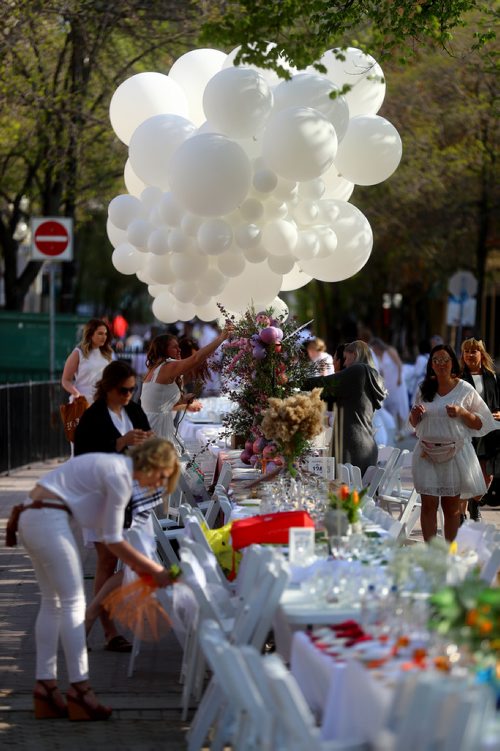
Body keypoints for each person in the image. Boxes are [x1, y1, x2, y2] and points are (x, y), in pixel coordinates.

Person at [16, 438, 179, 721]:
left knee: (53, 603)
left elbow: (109, 533)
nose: (158, 485)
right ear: (154, 464)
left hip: (32, 514)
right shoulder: (120, 475)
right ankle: (80, 691)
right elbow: (114, 539)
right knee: (70, 603)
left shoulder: (114, 466)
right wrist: (155, 570)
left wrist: (144, 567)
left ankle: (46, 688)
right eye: (162, 477)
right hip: (48, 519)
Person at [74, 361, 155, 651]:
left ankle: (91, 618)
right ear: (108, 388)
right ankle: (108, 631)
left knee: (134, 560)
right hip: (99, 495)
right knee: (107, 561)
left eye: (132, 390)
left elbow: (147, 436)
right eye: (123, 390)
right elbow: (84, 458)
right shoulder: (93, 417)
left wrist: (147, 441)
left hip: (130, 493)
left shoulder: (132, 410)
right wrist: (120, 442)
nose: (128, 396)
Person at [409, 343, 500, 542]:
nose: (441, 364)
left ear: (452, 363)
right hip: (426, 453)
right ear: (431, 365)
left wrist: (462, 412)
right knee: (428, 505)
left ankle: (450, 554)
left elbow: (481, 422)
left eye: (445, 360)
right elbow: (414, 424)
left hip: (455, 454)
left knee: (451, 508)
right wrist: (414, 415)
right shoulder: (424, 388)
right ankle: (432, 553)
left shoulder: (464, 389)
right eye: (436, 360)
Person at [140, 325, 233, 453]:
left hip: (154, 426)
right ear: (164, 350)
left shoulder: (157, 368)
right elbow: (196, 358)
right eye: (174, 347)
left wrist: (183, 400)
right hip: (156, 429)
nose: (179, 350)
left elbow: (159, 402)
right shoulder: (167, 366)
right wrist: (221, 338)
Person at [304, 340, 386, 475]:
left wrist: (295, 381)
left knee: (345, 492)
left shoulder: (358, 370)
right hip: (364, 444)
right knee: (357, 493)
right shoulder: (373, 376)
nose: (345, 363)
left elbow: (324, 383)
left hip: (351, 444)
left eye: (347, 358)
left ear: (354, 354)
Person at [460, 338, 500, 522]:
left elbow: (496, 403)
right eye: (466, 351)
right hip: (467, 432)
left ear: (481, 354)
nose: (470, 354)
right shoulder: (458, 377)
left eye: (474, 351)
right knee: (466, 476)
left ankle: (474, 503)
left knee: (487, 477)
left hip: (489, 433)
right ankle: (461, 516)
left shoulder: (491, 376)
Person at [61, 319, 113, 403]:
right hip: (82, 403)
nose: (104, 337)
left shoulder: (106, 354)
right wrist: (76, 394)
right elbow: (65, 380)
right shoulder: (78, 353)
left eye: (105, 334)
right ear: (90, 335)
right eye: (100, 333)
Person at [370, 338, 409, 440]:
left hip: (397, 382)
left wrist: (400, 377)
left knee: (400, 404)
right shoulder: (378, 357)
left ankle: (401, 430)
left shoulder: (390, 351)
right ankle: (394, 430)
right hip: (388, 384)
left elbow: (399, 364)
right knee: (390, 406)